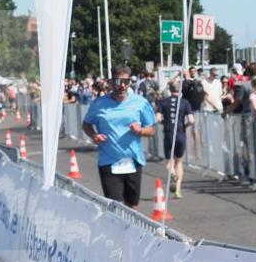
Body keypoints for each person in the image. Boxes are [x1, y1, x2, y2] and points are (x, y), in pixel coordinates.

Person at [82, 66, 157, 209]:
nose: (122, 85)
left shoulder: (140, 103)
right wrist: (94, 135)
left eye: (126, 81)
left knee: (132, 206)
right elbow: (86, 124)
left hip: (133, 161)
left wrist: (140, 130)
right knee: (115, 206)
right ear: (110, 82)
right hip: (108, 161)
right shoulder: (99, 104)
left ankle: (130, 231)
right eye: (118, 81)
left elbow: (152, 130)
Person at [156, 80, 194, 198]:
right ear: (180, 90)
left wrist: (164, 122)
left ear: (170, 90)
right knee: (179, 161)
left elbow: (157, 118)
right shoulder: (185, 102)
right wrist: (185, 126)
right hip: (180, 133)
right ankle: (177, 190)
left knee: (169, 161)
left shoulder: (163, 102)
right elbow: (191, 120)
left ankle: (172, 173)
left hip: (168, 133)